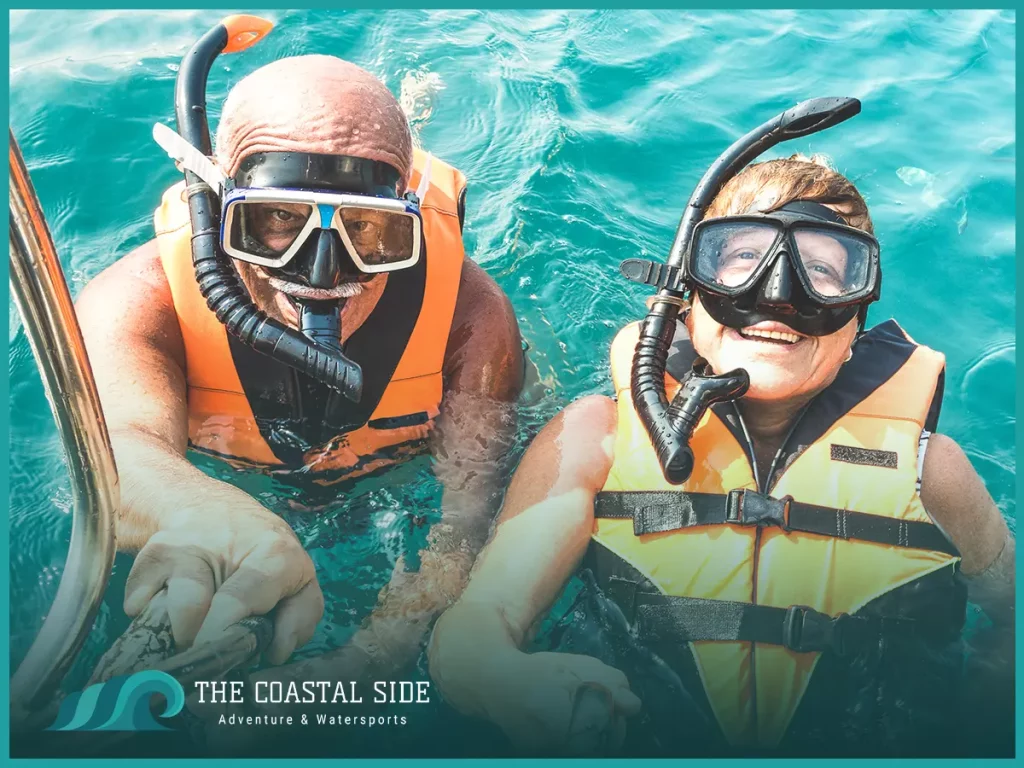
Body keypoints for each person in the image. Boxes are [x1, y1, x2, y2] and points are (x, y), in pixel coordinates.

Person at [428, 99, 1015, 757]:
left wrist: (983, 722)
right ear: (685, 293)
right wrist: (502, 678)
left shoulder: (931, 471)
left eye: (824, 270)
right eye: (741, 259)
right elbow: (475, 628)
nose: (779, 295)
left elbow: (1015, 623)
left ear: (857, 315)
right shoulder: (594, 441)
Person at [75, 16, 523, 679]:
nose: (321, 272)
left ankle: (410, 110)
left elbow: (466, 516)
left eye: (368, 230)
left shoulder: (472, 319)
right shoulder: (139, 304)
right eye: (277, 220)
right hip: (237, 489)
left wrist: (372, 657)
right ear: (216, 204)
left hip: (384, 480)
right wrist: (199, 511)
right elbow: (117, 449)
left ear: (410, 220)